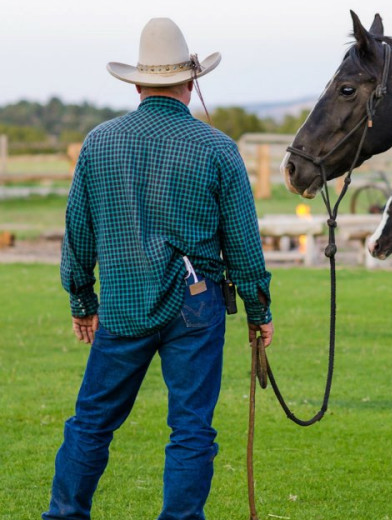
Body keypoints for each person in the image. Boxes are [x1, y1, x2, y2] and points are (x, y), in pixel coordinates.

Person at [43, 18, 273, 520]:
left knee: (91, 422)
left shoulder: (98, 143)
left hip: (122, 304)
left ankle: (64, 514)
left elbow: (78, 234)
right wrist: (259, 310)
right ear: (190, 83)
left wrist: (82, 301)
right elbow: (244, 245)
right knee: (191, 429)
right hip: (196, 305)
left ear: (139, 83)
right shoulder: (218, 149)